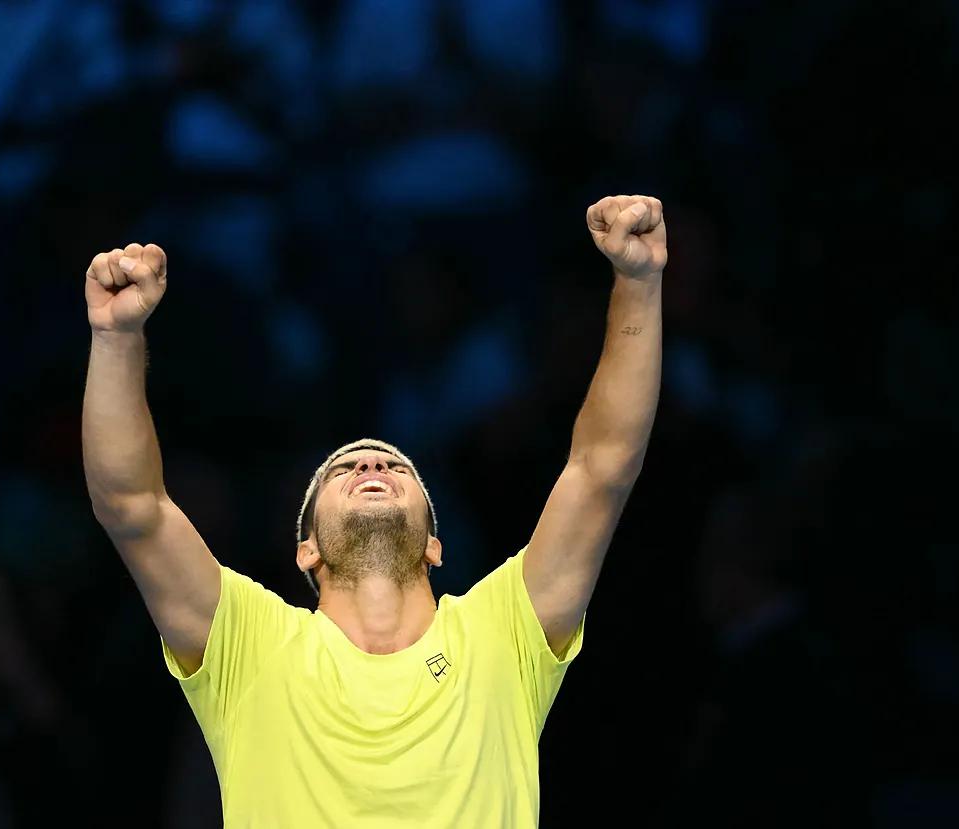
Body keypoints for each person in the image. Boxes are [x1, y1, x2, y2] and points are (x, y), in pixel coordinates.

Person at [81, 195, 666, 826]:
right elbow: (132, 504)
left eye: (395, 467)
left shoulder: (502, 633)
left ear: (434, 547)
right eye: (344, 469)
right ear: (306, 549)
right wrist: (115, 337)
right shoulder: (251, 645)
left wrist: (638, 282)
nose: (371, 466)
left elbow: (602, 468)